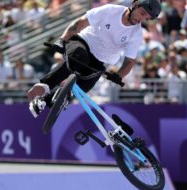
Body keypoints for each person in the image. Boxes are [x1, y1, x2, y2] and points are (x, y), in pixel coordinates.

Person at [26, 0, 162, 118]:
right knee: (80, 58)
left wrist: (119, 75)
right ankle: (45, 85)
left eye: (147, 18)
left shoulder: (136, 34)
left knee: (85, 85)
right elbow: (79, 23)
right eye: (143, 13)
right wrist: (62, 40)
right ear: (135, 4)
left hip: (100, 60)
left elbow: (129, 61)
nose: (141, 19)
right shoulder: (110, 11)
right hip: (83, 42)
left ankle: (47, 101)